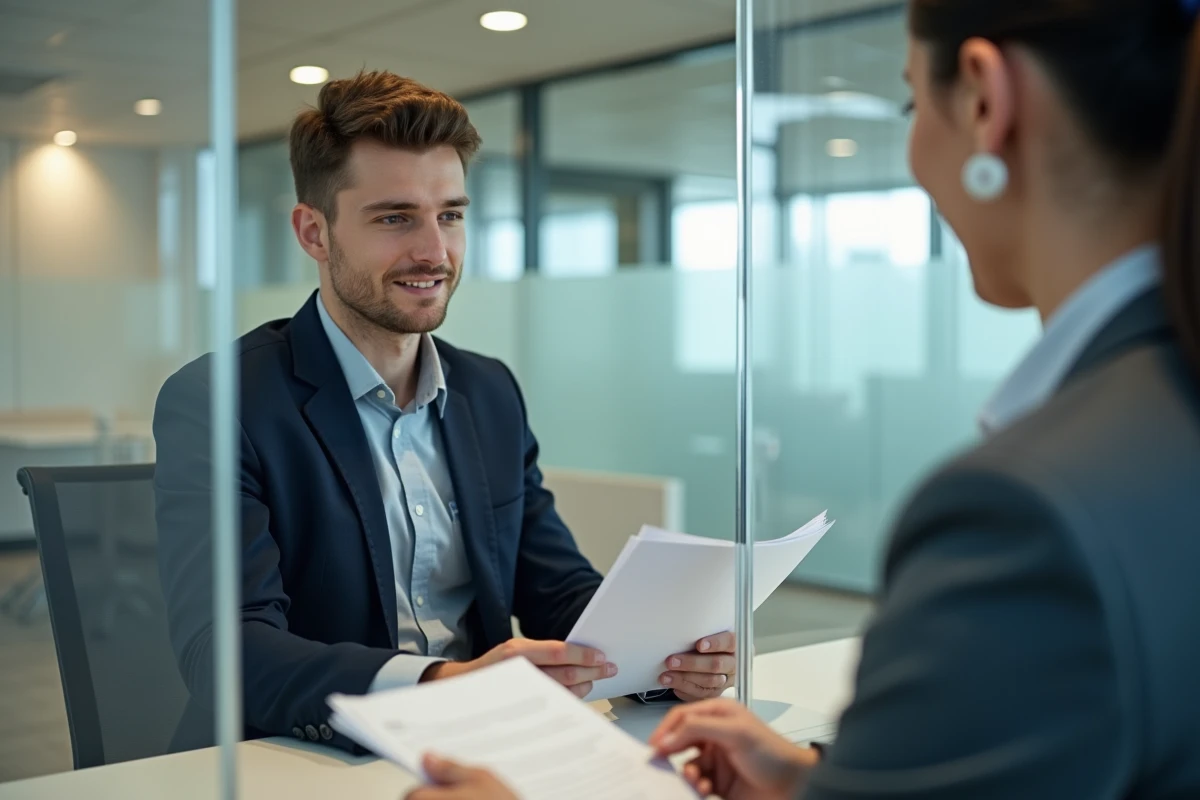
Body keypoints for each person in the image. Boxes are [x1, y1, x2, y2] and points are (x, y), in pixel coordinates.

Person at [416, 0, 1200, 797]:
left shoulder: (1026, 507)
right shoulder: (1161, 422)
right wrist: (812, 784)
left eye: (911, 106)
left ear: (984, 100)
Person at [153, 70, 735, 754]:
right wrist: (442, 683)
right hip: (304, 759)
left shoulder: (488, 391)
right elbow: (227, 649)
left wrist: (662, 662)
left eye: (450, 215)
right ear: (314, 232)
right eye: (394, 218)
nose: (434, 252)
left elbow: (555, 587)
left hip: (481, 750)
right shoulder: (222, 400)